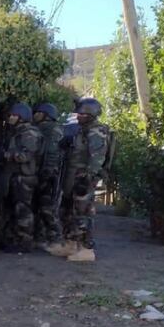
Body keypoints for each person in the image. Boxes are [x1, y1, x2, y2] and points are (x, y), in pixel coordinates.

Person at [49, 98, 114, 262]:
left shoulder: (96, 131)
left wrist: (88, 177)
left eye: (81, 114)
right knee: (68, 211)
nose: (78, 116)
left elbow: (97, 158)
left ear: (90, 114)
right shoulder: (82, 130)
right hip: (73, 176)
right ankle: (70, 243)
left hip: (83, 178)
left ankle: (86, 249)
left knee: (83, 213)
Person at [0, 103, 44, 254]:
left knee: (23, 209)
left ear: (22, 117)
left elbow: (25, 156)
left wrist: (6, 155)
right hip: (14, 175)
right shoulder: (16, 131)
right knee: (11, 209)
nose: (10, 117)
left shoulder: (30, 133)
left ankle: (25, 242)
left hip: (24, 177)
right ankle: (10, 239)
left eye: (13, 115)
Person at [32, 103, 64, 251]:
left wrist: (46, 171)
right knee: (41, 206)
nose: (34, 115)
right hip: (46, 172)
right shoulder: (48, 129)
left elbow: (50, 154)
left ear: (45, 115)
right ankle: (42, 238)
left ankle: (56, 239)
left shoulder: (50, 129)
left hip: (48, 173)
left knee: (47, 207)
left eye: (37, 112)